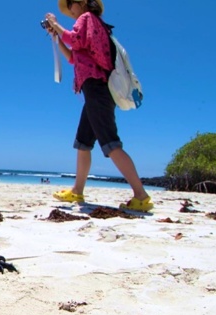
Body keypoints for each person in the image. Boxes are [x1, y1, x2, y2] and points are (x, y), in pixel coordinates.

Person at [45, 0, 153, 212]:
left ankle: (141, 195)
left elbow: (74, 39)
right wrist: (55, 36)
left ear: (82, 3)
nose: (70, 9)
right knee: (83, 143)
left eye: (70, 4)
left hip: (97, 89)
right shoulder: (89, 24)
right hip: (93, 92)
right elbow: (73, 57)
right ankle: (77, 190)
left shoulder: (87, 19)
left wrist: (56, 24)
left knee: (111, 144)